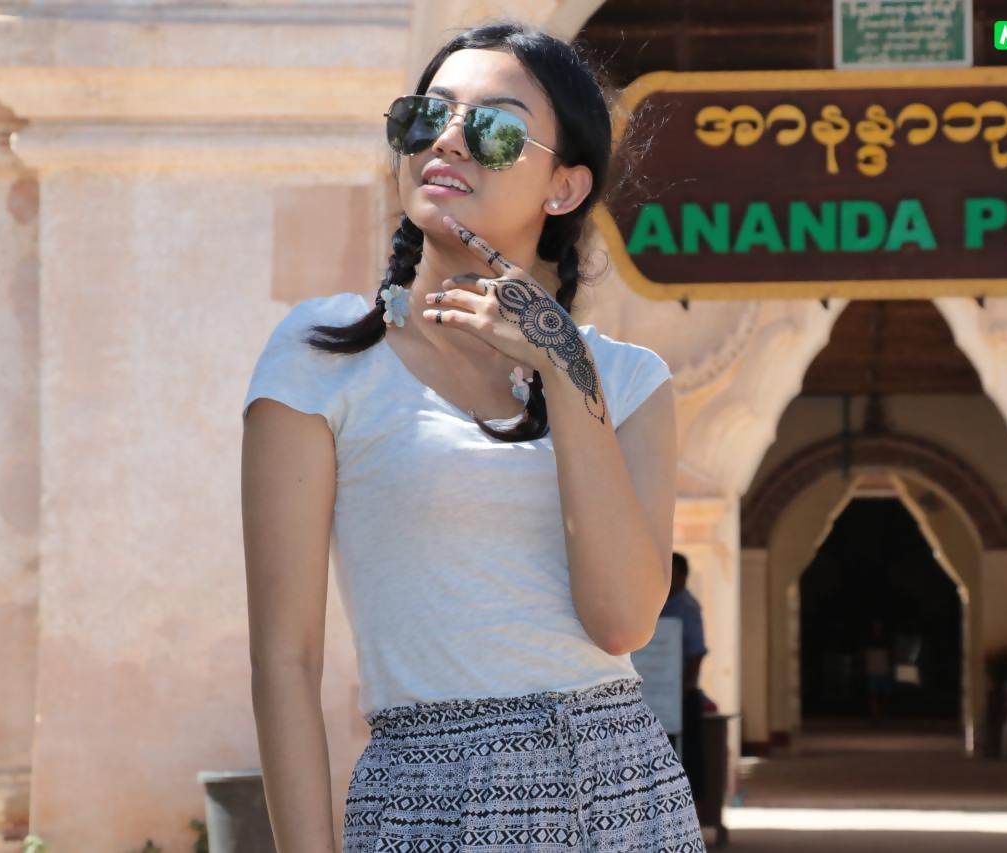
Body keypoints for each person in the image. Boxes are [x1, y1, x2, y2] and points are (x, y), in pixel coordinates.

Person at [240, 21, 705, 853]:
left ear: (563, 188)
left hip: (624, 786)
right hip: (428, 795)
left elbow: (621, 621)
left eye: (493, 128)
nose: (448, 139)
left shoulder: (629, 380)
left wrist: (564, 367)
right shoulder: (321, 356)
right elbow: (285, 660)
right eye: (427, 116)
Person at [660, 553, 708, 802]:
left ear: (681, 576)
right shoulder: (659, 604)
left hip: (678, 693)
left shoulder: (686, 608)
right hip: (656, 690)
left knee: (684, 754)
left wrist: (684, 688)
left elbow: (696, 653)